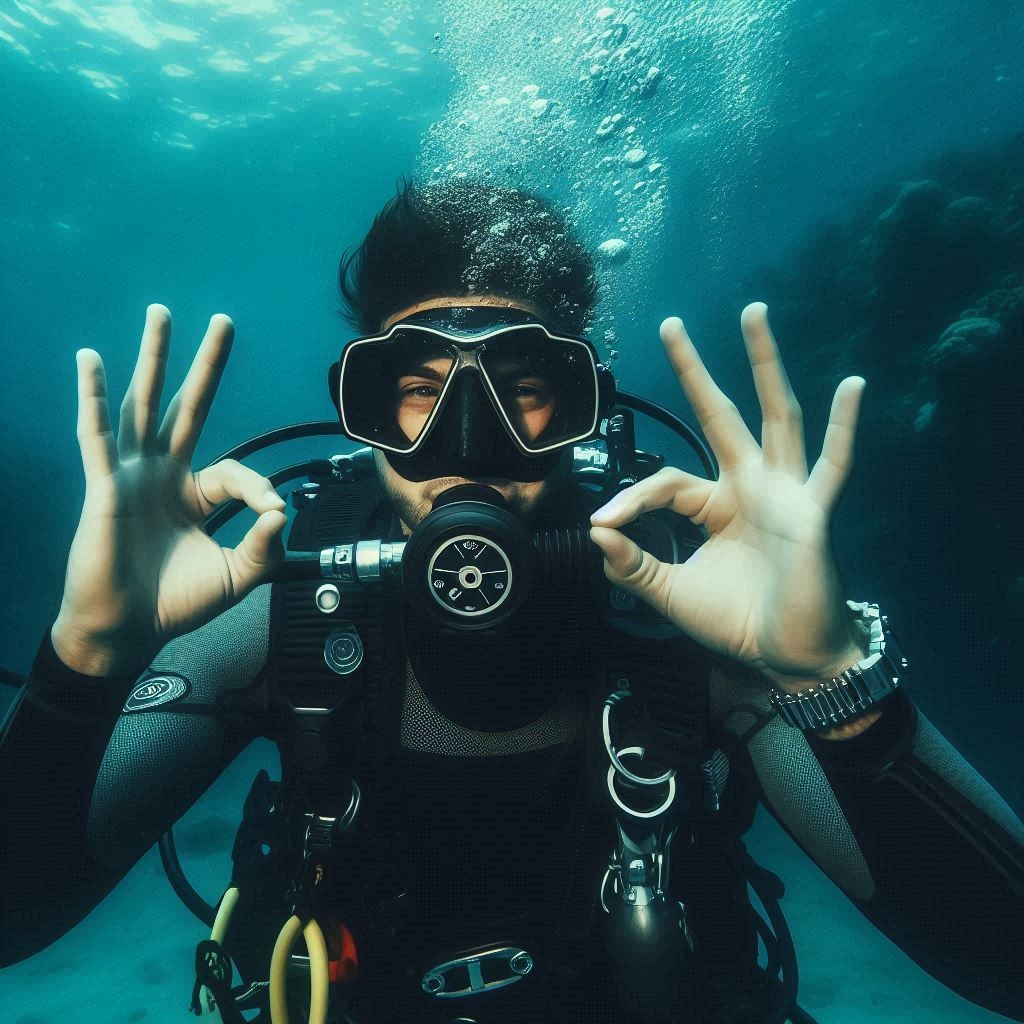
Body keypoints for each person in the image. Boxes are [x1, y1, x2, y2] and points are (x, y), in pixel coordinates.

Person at [1, 179, 1023, 1024]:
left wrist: (831, 678)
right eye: (413, 386)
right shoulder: (297, 605)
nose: (466, 442)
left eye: (524, 385)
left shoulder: (683, 604)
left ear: (585, 409)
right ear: (361, 413)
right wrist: (83, 660)